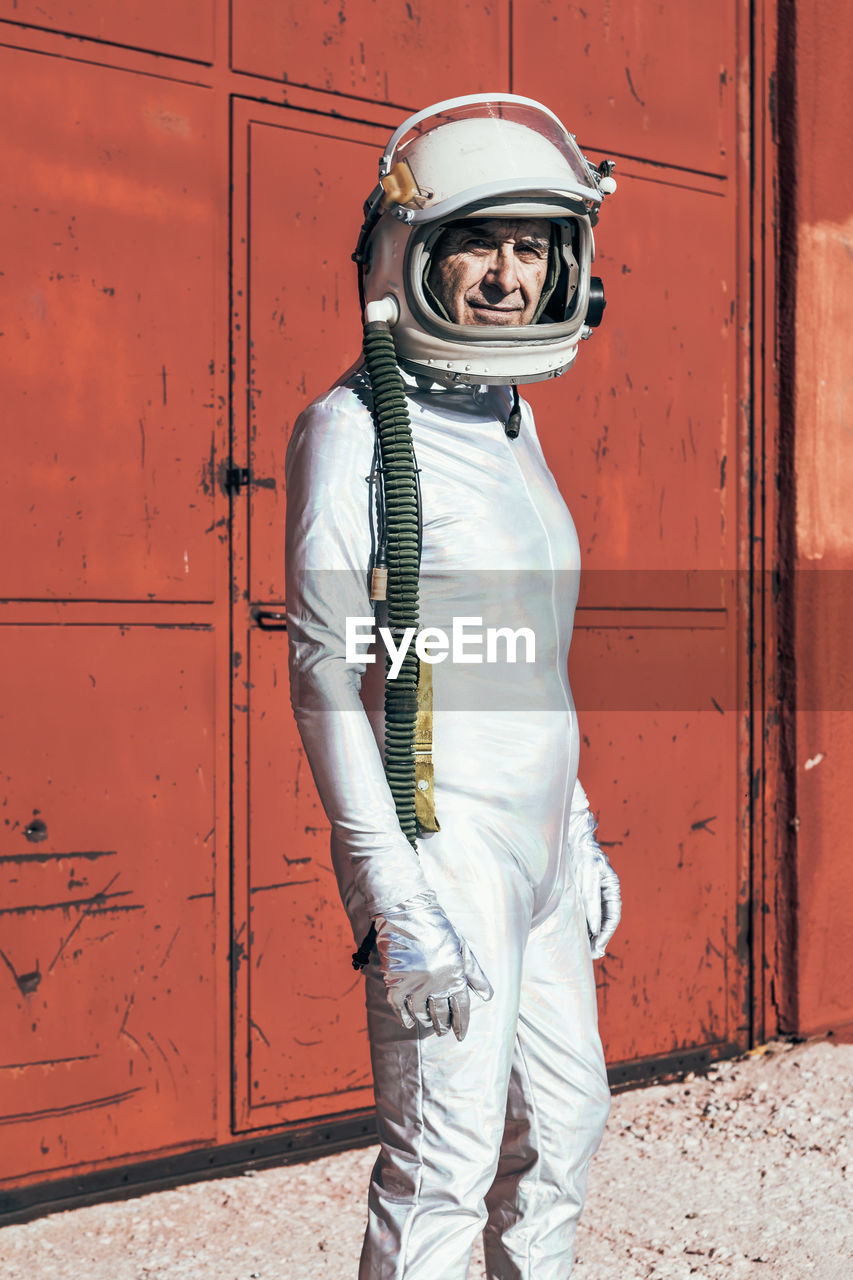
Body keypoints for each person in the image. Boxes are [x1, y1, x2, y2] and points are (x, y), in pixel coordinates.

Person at [285, 93, 622, 1280]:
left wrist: (572, 828)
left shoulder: (511, 418)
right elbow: (326, 667)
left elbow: (529, 651)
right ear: (407, 252)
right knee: (444, 1154)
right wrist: (390, 890)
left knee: (566, 1119)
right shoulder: (351, 427)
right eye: (475, 242)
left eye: (531, 246)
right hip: (443, 840)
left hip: (533, 845)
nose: (503, 276)